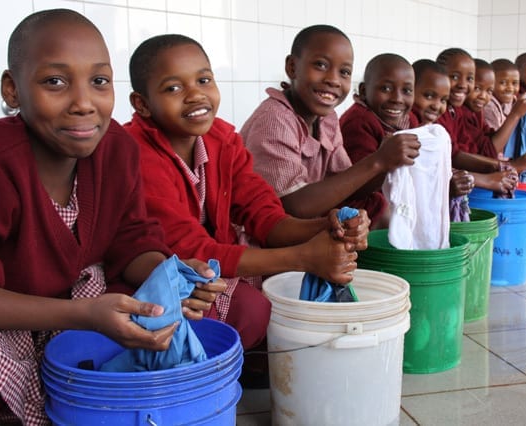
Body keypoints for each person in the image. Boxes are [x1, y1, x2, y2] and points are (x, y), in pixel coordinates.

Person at [0, 10, 226, 424]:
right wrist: (81, 316)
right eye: (54, 82)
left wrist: (172, 274)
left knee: (200, 318)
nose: (83, 104)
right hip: (7, 312)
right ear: (12, 89)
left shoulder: (116, 149)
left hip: (83, 297)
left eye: (99, 81)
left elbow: (130, 237)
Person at [124, 34, 369, 386]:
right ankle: (189, 381)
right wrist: (304, 257)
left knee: (262, 302)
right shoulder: (136, 155)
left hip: (205, 269)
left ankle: (236, 364)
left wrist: (327, 227)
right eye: (174, 88)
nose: (196, 95)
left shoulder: (221, 140)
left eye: (204, 80)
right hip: (150, 276)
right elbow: (192, 250)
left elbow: (265, 216)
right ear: (142, 104)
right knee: (240, 307)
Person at [240, 25, 420, 227]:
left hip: (299, 229)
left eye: (344, 72)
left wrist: (389, 163)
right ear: (292, 67)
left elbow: (349, 186)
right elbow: (292, 205)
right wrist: (378, 161)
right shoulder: (274, 120)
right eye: (320, 65)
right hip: (260, 236)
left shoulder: (326, 119)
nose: (333, 80)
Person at [339, 53, 419, 227]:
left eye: (406, 91)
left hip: (390, 191)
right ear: (363, 91)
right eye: (386, 89)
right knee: (388, 214)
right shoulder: (358, 121)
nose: (397, 99)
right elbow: (359, 185)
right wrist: (385, 159)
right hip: (357, 197)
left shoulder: (408, 120)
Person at [434, 48, 519, 193]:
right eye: (454, 77)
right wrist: (490, 175)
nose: (462, 85)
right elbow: (450, 157)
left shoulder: (456, 110)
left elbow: (461, 152)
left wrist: (498, 166)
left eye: (469, 79)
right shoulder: (437, 112)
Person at [411, 59, 474, 220]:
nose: (437, 106)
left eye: (443, 100)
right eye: (429, 96)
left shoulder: (432, 126)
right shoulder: (410, 126)